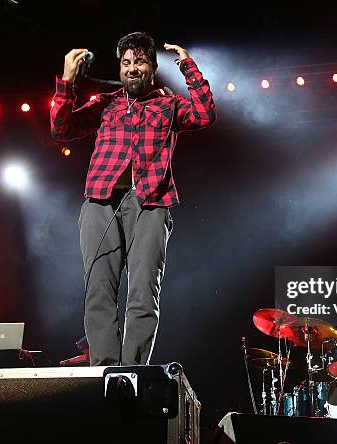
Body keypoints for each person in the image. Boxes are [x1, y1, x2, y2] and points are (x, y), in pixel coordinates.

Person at [50, 32, 216, 366]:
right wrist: (67, 80)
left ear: (152, 67)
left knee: (142, 295)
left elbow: (204, 113)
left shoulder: (168, 104)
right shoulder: (105, 103)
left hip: (151, 203)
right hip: (101, 202)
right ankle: (105, 373)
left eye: (139, 61)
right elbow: (61, 128)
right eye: (126, 63)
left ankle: (133, 375)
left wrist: (187, 67)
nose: (132, 68)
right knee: (99, 290)